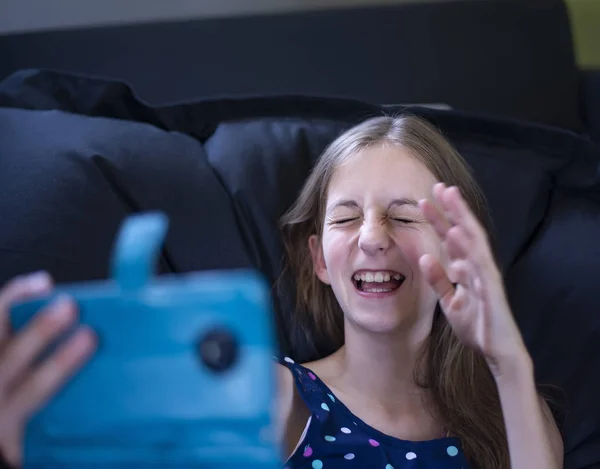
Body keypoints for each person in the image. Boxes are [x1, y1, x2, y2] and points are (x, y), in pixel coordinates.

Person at [0, 115, 563, 469]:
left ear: (458, 249)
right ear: (319, 259)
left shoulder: (511, 410)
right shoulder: (268, 391)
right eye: (346, 219)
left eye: (404, 216)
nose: (372, 238)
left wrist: (506, 361)